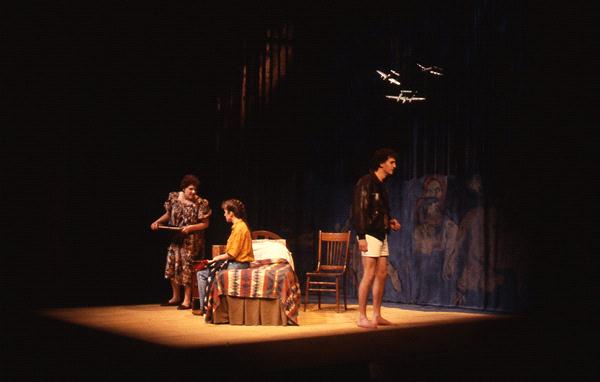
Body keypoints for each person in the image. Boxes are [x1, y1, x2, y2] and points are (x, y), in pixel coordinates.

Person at [352, 148, 402, 328]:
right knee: (369, 273)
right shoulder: (366, 182)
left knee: (382, 274)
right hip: (369, 234)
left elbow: (380, 211)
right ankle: (361, 316)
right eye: (391, 162)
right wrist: (361, 236)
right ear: (381, 163)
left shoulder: (382, 185)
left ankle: (377, 315)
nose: (394, 166)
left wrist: (391, 222)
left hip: (381, 234)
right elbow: (359, 210)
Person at [150, 174, 211, 310]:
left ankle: (187, 299)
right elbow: (168, 214)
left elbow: (205, 224)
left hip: (191, 241)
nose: (193, 192)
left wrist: (190, 228)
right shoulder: (174, 198)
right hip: (176, 238)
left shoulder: (201, 203)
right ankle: (176, 297)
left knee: (187, 268)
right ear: (183, 189)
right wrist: (157, 222)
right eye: (190, 189)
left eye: (195, 189)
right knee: (173, 265)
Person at [196, 199, 255, 314]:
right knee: (207, 270)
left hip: (239, 265)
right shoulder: (239, 226)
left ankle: (205, 308)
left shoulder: (239, 228)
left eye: (225, 212)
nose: (224, 214)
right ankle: (208, 305)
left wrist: (214, 259)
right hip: (237, 263)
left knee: (202, 274)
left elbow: (232, 254)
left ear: (231, 213)